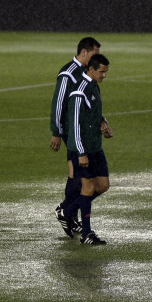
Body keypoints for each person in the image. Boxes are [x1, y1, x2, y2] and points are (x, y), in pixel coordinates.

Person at [50, 37, 101, 237]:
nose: (97, 59)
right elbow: (59, 104)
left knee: (80, 177)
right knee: (77, 176)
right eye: (95, 55)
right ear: (84, 53)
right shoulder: (68, 74)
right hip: (72, 134)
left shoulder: (85, 73)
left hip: (83, 133)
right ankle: (66, 212)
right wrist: (56, 132)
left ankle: (70, 216)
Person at [61, 53, 113, 245]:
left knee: (103, 186)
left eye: (106, 72)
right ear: (91, 69)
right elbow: (74, 125)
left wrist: (103, 124)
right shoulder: (79, 91)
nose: (104, 76)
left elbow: (94, 113)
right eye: (102, 72)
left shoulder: (93, 87)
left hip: (95, 147)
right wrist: (81, 153)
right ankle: (87, 234)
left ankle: (68, 211)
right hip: (83, 150)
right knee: (88, 187)